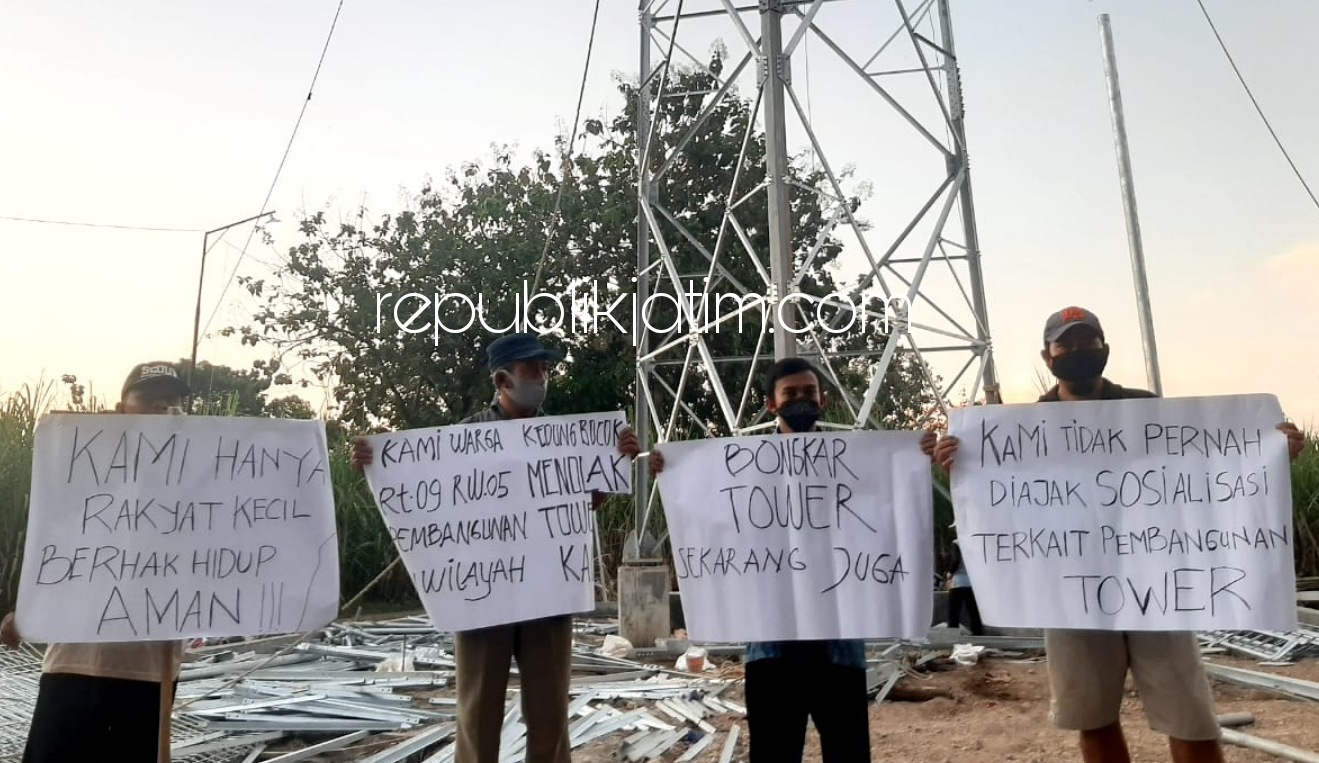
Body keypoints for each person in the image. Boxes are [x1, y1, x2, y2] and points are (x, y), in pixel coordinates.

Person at [928, 306, 1306, 763]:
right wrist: (958, 465)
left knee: (1190, 716)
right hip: (1073, 595)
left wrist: (1270, 454)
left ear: (1104, 347)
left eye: (1087, 341)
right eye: (1065, 343)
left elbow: (1207, 471)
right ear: (1048, 356)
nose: (1077, 350)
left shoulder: (1145, 407)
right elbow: (997, 503)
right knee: (1093, 718)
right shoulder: (1023, 425)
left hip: (1157, 585)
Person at [627, 357, 935, 763]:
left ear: (823, 399)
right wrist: (674, 473)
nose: (801, 400)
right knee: (774, 752)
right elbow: (710, 519)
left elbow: (891, 506)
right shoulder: (740, 467)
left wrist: (920, 457)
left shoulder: (859, 463)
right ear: (771, 404)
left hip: (838, 643)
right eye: (790, 394)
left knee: (849, 752)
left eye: (809, 392)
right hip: (771, 644)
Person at [352, 332, 632, 763]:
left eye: (545, 368)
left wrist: (615, 463)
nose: (542, 376)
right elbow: (426, 500)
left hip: (547, 592)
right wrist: (377, 463)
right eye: (531, 369)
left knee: (550, 710)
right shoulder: (463, 437)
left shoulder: (566, 438)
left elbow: (582, 506)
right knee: (478, 710)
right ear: (502, 380)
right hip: (483, 594)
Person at [0, 361, 193, 762]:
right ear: (122, 409)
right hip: (73, 664)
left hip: (150, 673)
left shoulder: (207, 478)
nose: (163, 408)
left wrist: (364, 465)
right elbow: (57, 549)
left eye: (173, 402)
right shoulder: (80, 469)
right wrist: (30, 612)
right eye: (149, 399)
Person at [945, 536, 984, 636]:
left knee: (953, 613)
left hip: (957, 582)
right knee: (974, 612)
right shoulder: (974, 541)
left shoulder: (956, 542)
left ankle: (952, 636)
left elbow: (956, 559)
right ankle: (978, 635)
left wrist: (950, 572)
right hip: (972, 583)